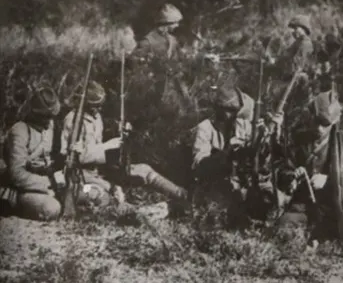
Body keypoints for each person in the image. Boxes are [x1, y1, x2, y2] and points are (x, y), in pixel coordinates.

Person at [58, 80, 188, 209]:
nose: (99, 109)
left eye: (100, 105)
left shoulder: (97, 117)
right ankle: (133, 212)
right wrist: (106, 146)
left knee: (145, 170)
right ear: (85, 104)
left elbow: (103, 140)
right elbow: (74, 157)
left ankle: (182, 195)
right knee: (108, 193)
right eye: (95, 105)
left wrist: (119, 131)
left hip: (102, 170)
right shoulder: (73, 121)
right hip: (82, 176)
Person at [275, 91, 343, 243]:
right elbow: (284, 170)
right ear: (311, 116)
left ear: (334, 122)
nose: (319, 128)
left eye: (325, 124)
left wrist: (329, 180)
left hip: (336, 207)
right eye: (316, 121)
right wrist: (292, 177)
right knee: (283, 229)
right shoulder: (300, 140)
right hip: (305, 206)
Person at [190, 85, 256, 216]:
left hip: (240, 183)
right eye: (228, 110)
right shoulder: (205, 128)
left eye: (235, 110)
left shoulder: (242, 125)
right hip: (214, 185)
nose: (231, 114)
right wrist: (227, 152)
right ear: (218, 108)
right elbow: (200, 165)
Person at [0, 87, 64, 221]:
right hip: (24, 190)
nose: (49, 121)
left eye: (51, 117)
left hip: (49, 185)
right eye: (45, 117)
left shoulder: (52, 128)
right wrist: (48, 183)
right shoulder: (20, 130)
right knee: (52, 208)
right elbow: (17, 175)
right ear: (35, 114)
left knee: (90, 194)